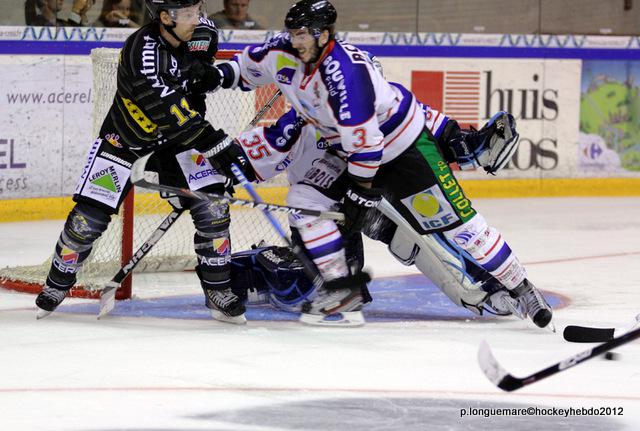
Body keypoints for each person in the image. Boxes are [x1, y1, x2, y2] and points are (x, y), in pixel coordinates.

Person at [203, 0, 553, 328]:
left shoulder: (346, 78)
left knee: (458, 227)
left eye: (304, 35)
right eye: (294, 34)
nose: (297, 42)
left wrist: (360, 195)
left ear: (324, 35)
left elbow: (368, 147)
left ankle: (522, 287)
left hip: (403, 150)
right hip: (350, 154)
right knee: (306, 200)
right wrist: (210, 78)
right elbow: (245, 69)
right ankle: (341, 290)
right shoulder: (283, 50)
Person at [35, 0, 249, 325]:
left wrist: (204, 76)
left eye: (198, 9)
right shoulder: (143, 53)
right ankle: (57, 283)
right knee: (88, 218)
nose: (198, 18)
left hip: (178, 141)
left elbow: (198, 85)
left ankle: (219, 290)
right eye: (189, 13)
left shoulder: (203, 32)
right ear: (165, 18)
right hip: (128, 135)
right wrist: (216, 144)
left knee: (213, 205)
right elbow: (170, 111)